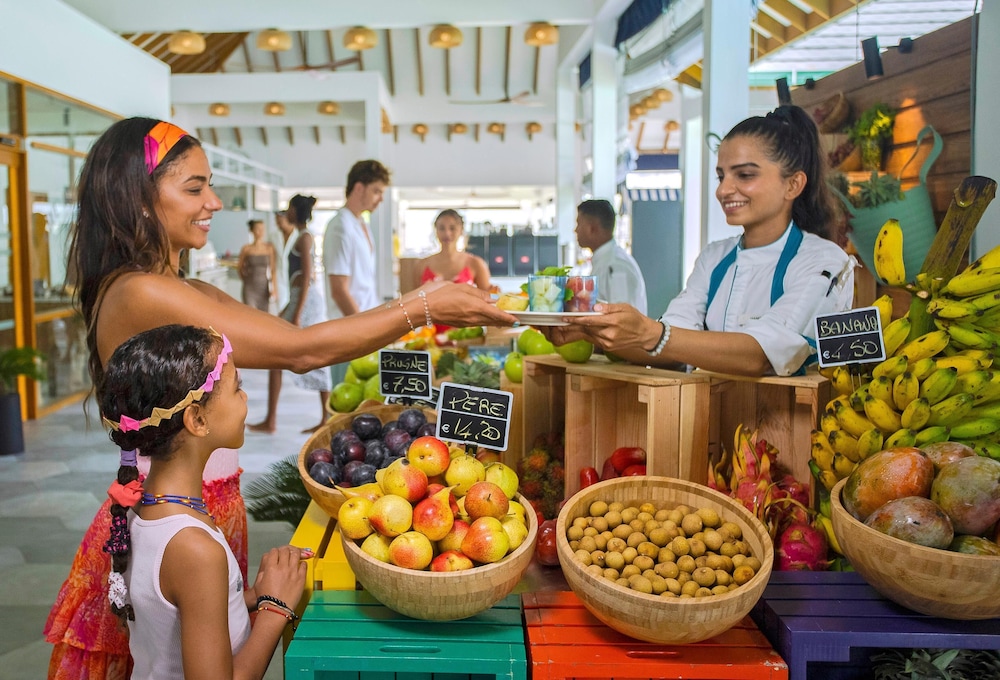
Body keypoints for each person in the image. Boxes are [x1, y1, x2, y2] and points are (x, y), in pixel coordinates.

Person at [45, 117, 515, 680]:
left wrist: (422, 301)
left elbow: (297, 339)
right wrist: (425, 306)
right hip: (176, 511)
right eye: (194, 188)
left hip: (197, 500)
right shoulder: (143, 291)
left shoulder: (176, 286)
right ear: (139, 200)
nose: (214, 202)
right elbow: (301, 350)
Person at [549, 105, 854, 377]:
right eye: (722, 176)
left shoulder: (824, 262)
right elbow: (671, 349)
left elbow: (760, 355)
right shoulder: (714, 258)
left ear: (793, 184)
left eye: (745, 175)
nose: (723, 190)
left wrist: (651, 333)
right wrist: (589, 331)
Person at [98, 324, 307, 679]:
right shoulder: (193, 548)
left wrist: (251, 597)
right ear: (196, 418)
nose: (244, 398)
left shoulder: (143, 509)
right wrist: (276, 608)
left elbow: (171, 616)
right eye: (237, 387)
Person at [248, 195, 331, 434]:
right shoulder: (300, 235)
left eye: (290, 208)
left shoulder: (304, 237)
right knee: (277, 357)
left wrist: (297, 313)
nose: (287, 212)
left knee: (312, 354)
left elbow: (306, 277)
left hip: (305, 302)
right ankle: (272, 420)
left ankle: (323, 418)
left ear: (296, 211)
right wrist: (289, 308)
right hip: (298, 300)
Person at [323, 159, 390, 319]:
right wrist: (365, 326)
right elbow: (339, 290)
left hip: (366, 318)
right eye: (376, 191)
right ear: (359, 188)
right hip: (350, 325)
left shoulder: (361, 224)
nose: (381, 199)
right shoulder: (340, 226)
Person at [574, 199, 648, 314]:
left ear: (592, 228)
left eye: (579, 224)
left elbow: (622, 316)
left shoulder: (616, 265)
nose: (575, 230)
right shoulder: (605, 261)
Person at [411, 209, 491, 292]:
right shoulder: (421, 265)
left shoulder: (476, 264)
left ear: (461, 231)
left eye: (452, 228)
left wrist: (496, 294)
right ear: (436, 231)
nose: (447, 233)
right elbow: (415, 298)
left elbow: (489, 296)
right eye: (441, 228)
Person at [236, 218, 276, 312]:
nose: (261, 232)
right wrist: (246, 279)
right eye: (258, 229)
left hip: (264, 287)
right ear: (252, 230)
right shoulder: (246, 249)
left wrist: (274, 289)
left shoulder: (269, 248)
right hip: (250, 287)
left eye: (262, 229)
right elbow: (240, 267)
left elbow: (273, 270)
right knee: (250, 312)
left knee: (264, 315)